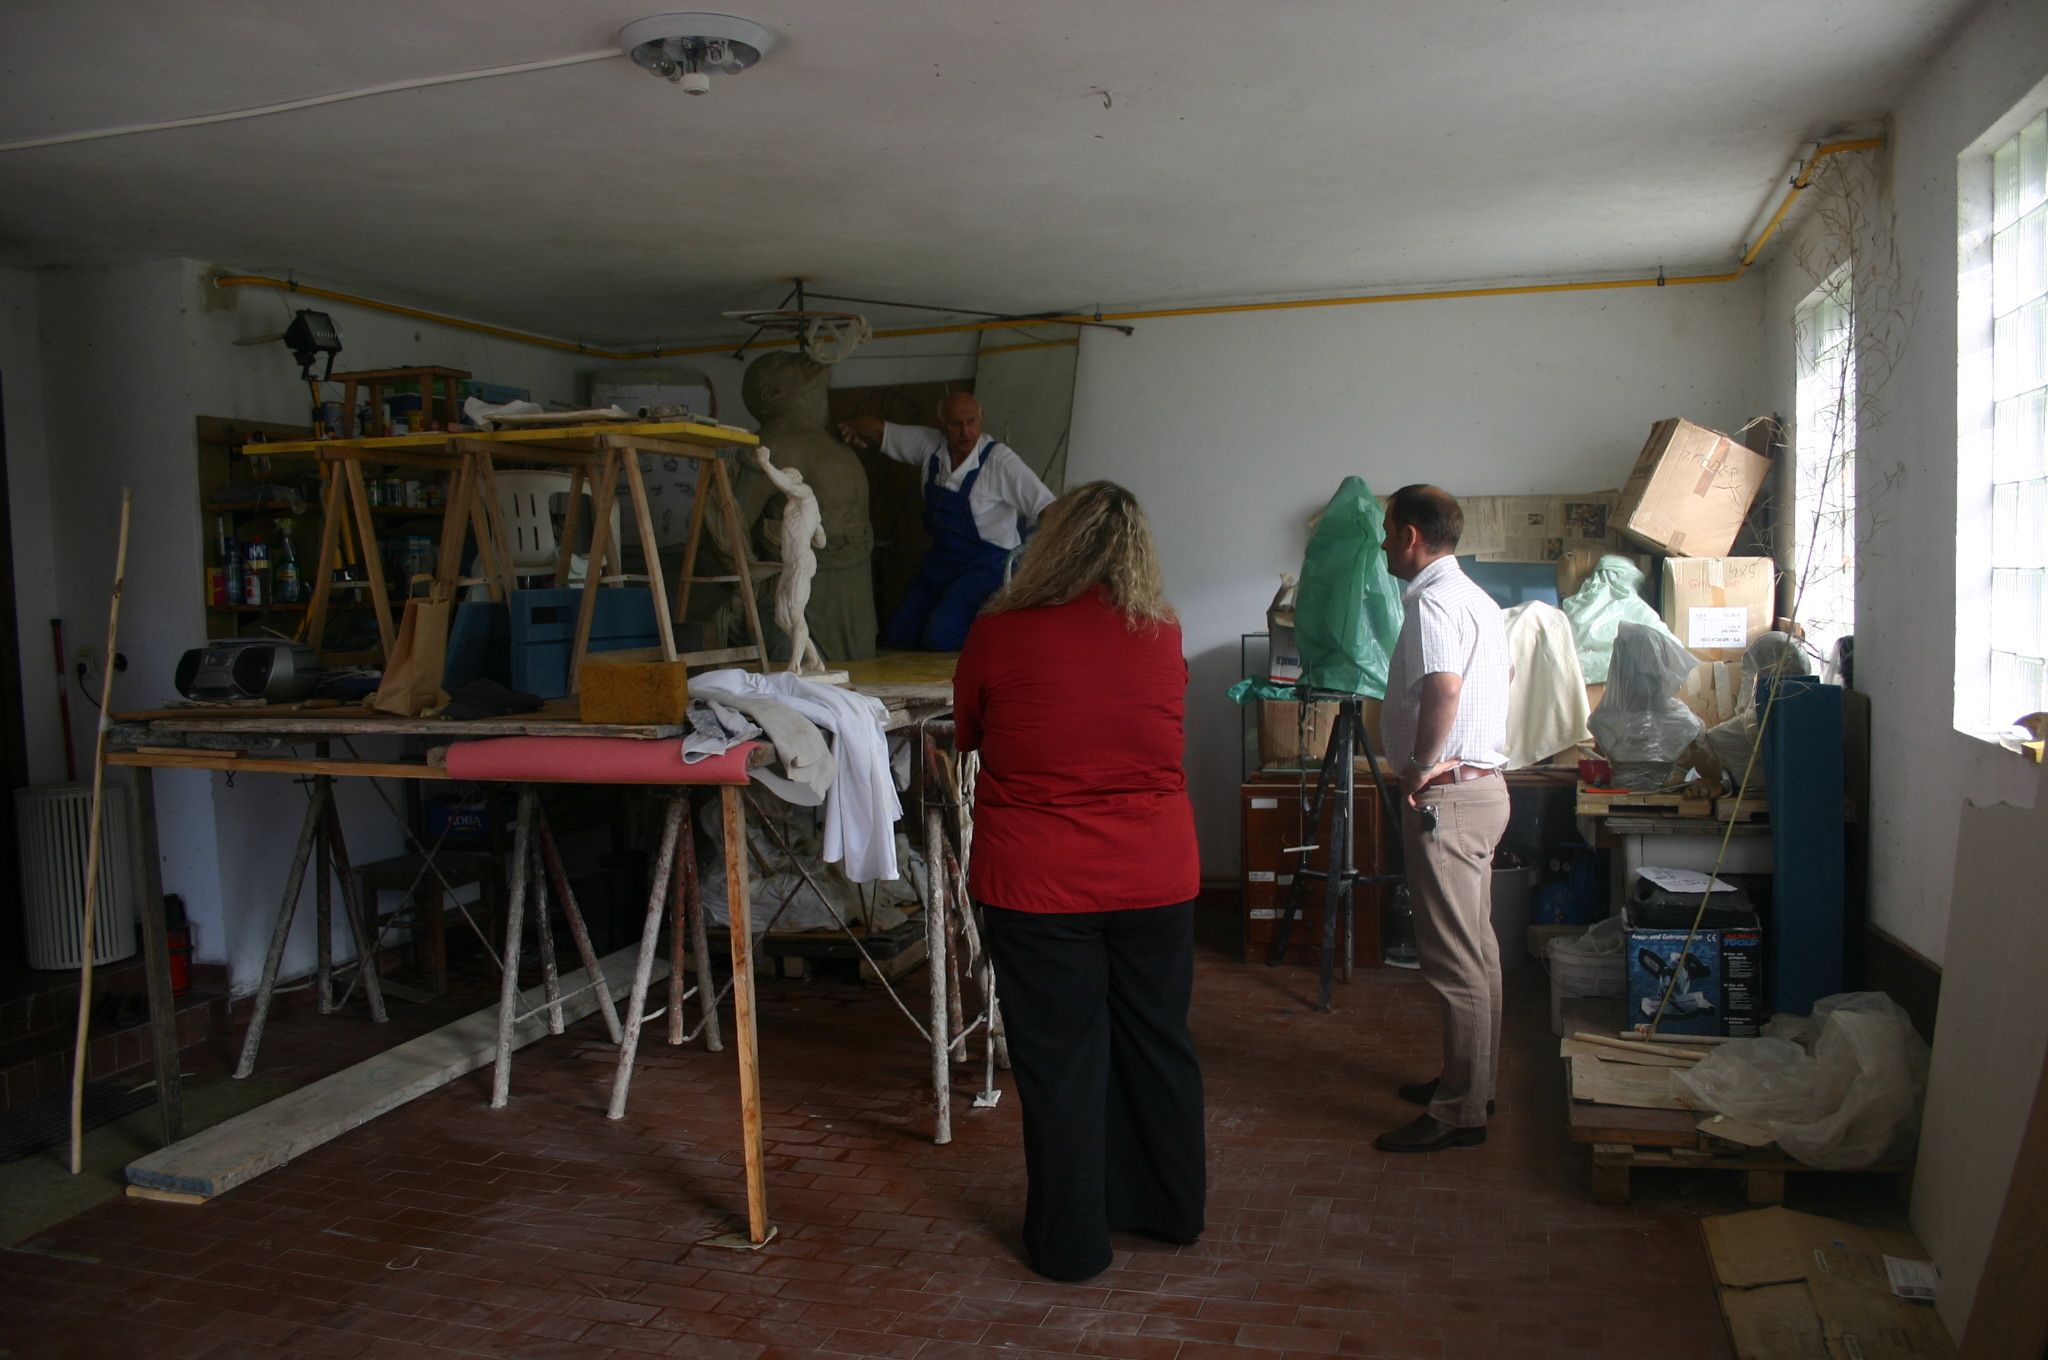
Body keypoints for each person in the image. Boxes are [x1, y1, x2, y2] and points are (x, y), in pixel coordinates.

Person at [952, 481, 1203, 1281]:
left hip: (1038, 881)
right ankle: (1169, 1209)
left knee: (1061, 1060)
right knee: (1157, 1040)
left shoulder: (1000, 634)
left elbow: (968, 732)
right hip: (1156, 874)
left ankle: (1071, 1246)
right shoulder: (1162, 633)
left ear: (1051, 543)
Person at [1375, 484, 1512, 1154]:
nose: (1383, 544)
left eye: (1386, 531)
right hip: (1481, 792)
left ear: (1409, 536)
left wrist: (1419, 764)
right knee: (1477, 950)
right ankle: (1473, 1084)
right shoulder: (1476, 597)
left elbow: (1444, 688)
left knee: (1456, 960)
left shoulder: (1431, 600)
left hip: (1449, 798)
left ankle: (1461, 1112)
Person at [841, 392, 1055, 651]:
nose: (965, 431)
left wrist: (1045, 564)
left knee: (940, 639)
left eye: (971, 422)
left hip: (987, 567)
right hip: (943, 563)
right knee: (899, 633)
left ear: (982, 419)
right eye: (956, 424)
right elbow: (879, 430)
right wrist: (849, 427)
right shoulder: (931, 446)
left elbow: (1049, 508)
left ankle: (1003, 638)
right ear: (941, 424)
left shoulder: (1000, 462)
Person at [724, 352, 877, 661]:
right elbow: (728, 532)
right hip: (808, 587)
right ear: (772, 392)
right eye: (787, 362)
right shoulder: (770, 447)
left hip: (853, 592)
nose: (804, 359)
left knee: (859, 671)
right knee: (809, 665)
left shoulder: (833, 438)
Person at [752, 447, 828, 674]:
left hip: (801, 562)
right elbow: (822, 541)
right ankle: (814, 660)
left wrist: (765, 463)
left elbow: (787, 485)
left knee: (795, 613)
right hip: (790, 564)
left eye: (787, 476)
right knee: (781, 618)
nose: (782, 482)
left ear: (796, 479)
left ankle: (795, 665)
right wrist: (811, 526)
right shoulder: (800, 505)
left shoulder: (805, 492)